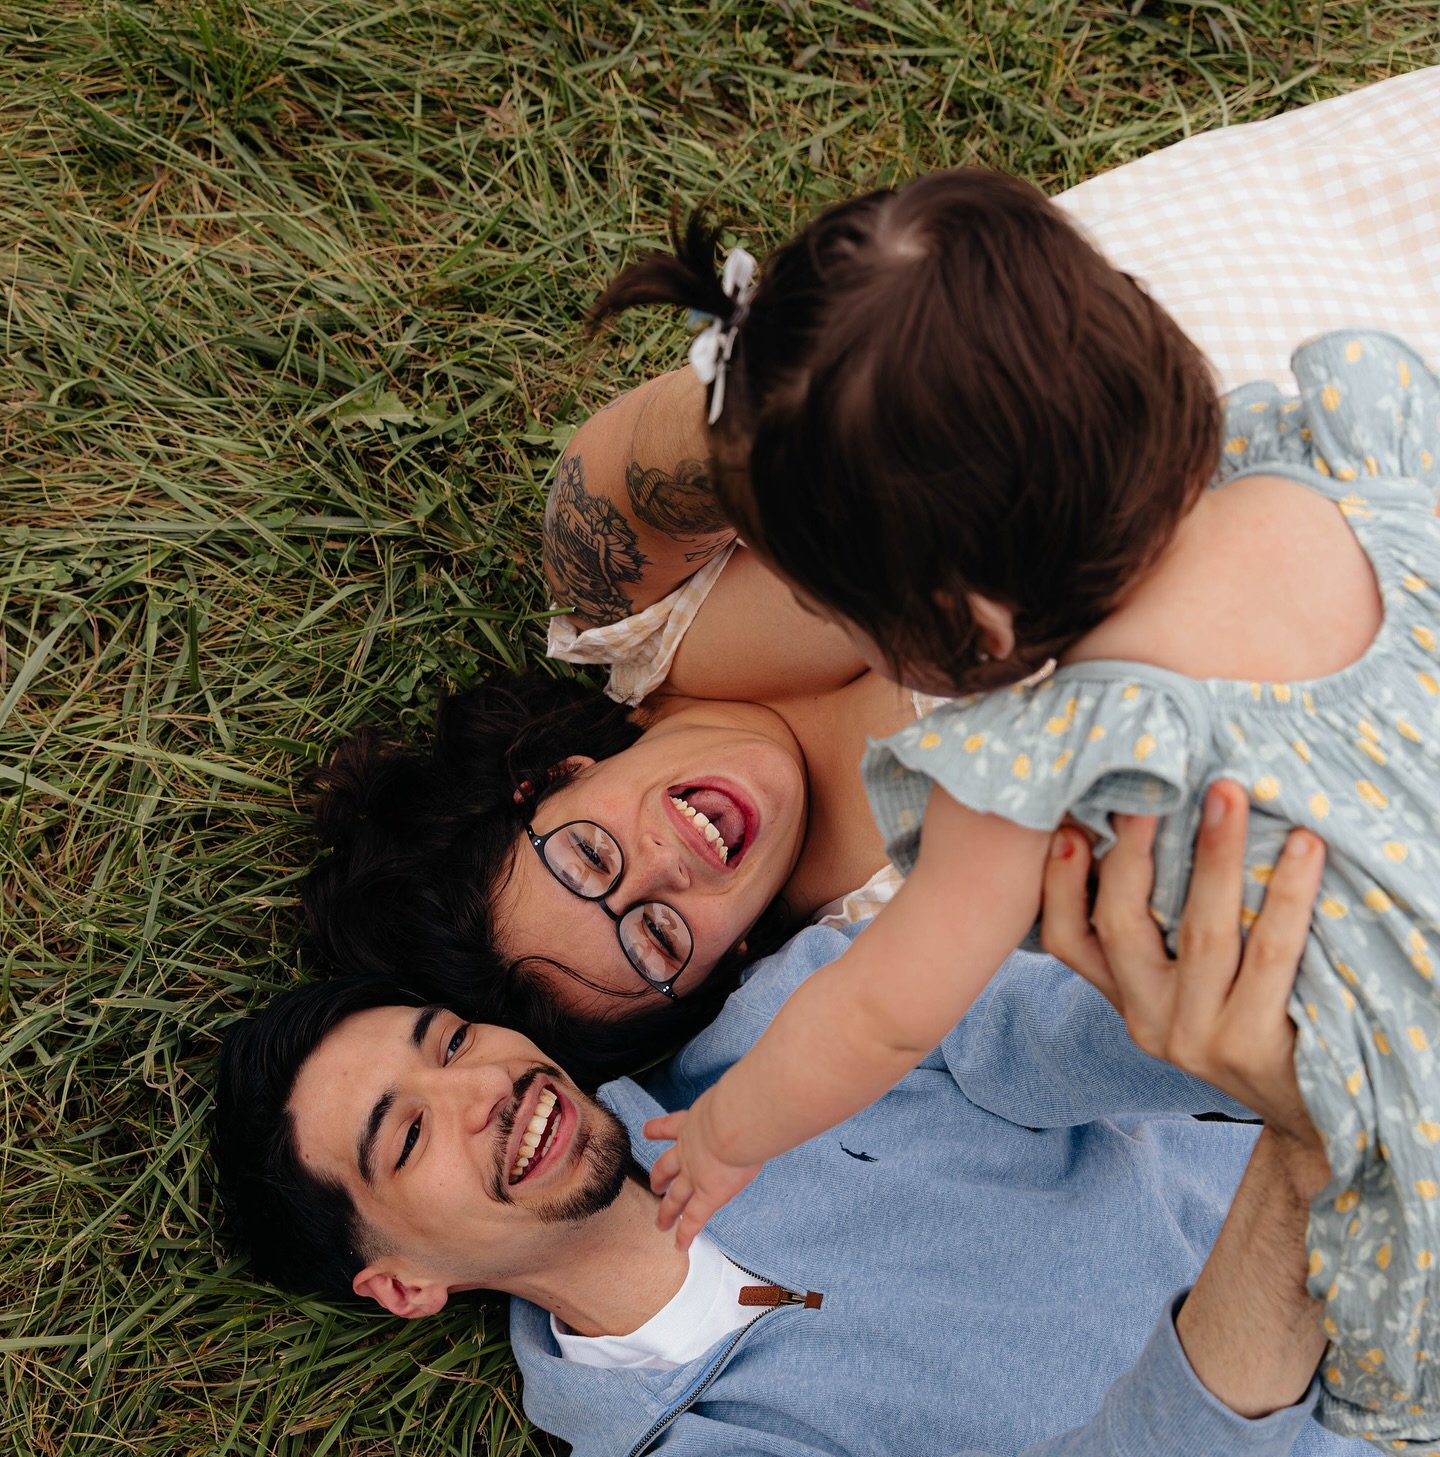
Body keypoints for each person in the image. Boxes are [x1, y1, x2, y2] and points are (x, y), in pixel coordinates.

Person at [213, 792, 1440, 1457]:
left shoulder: (804, 1024)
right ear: (402, 1283)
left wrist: (1266, 1030)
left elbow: (1092, 1033)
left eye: (452, 1041)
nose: (481, 1091)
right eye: (405, 1136)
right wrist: (1292, 1212)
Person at [304, 73, 1440, 1091]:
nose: (669, 866)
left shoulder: (630, 608)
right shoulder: (892, 929)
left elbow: (767, 376)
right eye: (656, 941)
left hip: (1276, 291)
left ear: (552, 776)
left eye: (592, 855)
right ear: (721, 972)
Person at [591, 167, 1440, 1457]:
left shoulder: (1046, 752)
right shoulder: (1356, 461)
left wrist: (724, 1129)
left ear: (961, 626)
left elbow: (881, 1011)